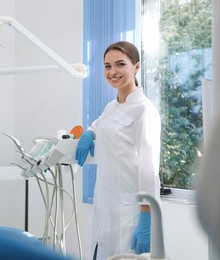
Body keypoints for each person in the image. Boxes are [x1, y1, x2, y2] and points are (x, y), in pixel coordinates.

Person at [75, 41, 161, 260]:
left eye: (120, 64)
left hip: (131, 212)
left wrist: (146, 218)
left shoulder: (144, 110)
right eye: (107, 66)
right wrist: (90, 133)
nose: (112, 72)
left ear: (137, 67)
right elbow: (101, 123)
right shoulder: (112, 106)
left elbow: (149, 169)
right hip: (106, 205)